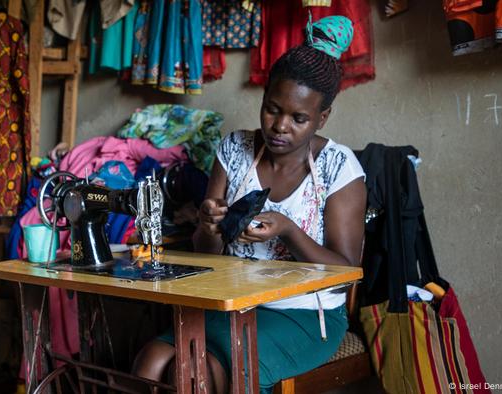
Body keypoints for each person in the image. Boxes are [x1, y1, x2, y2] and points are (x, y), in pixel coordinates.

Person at [132, 15, 367, 394]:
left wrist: (289, 231)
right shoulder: (235, 149)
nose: (280, 126)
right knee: (151, 360)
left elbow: (345, 270)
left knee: (199, 370)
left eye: (299, 118)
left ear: (321, 118)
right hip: (232, 302)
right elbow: (207, 252)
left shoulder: (339, 169)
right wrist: (208, 226)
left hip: (305, 315)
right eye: (273, 109)